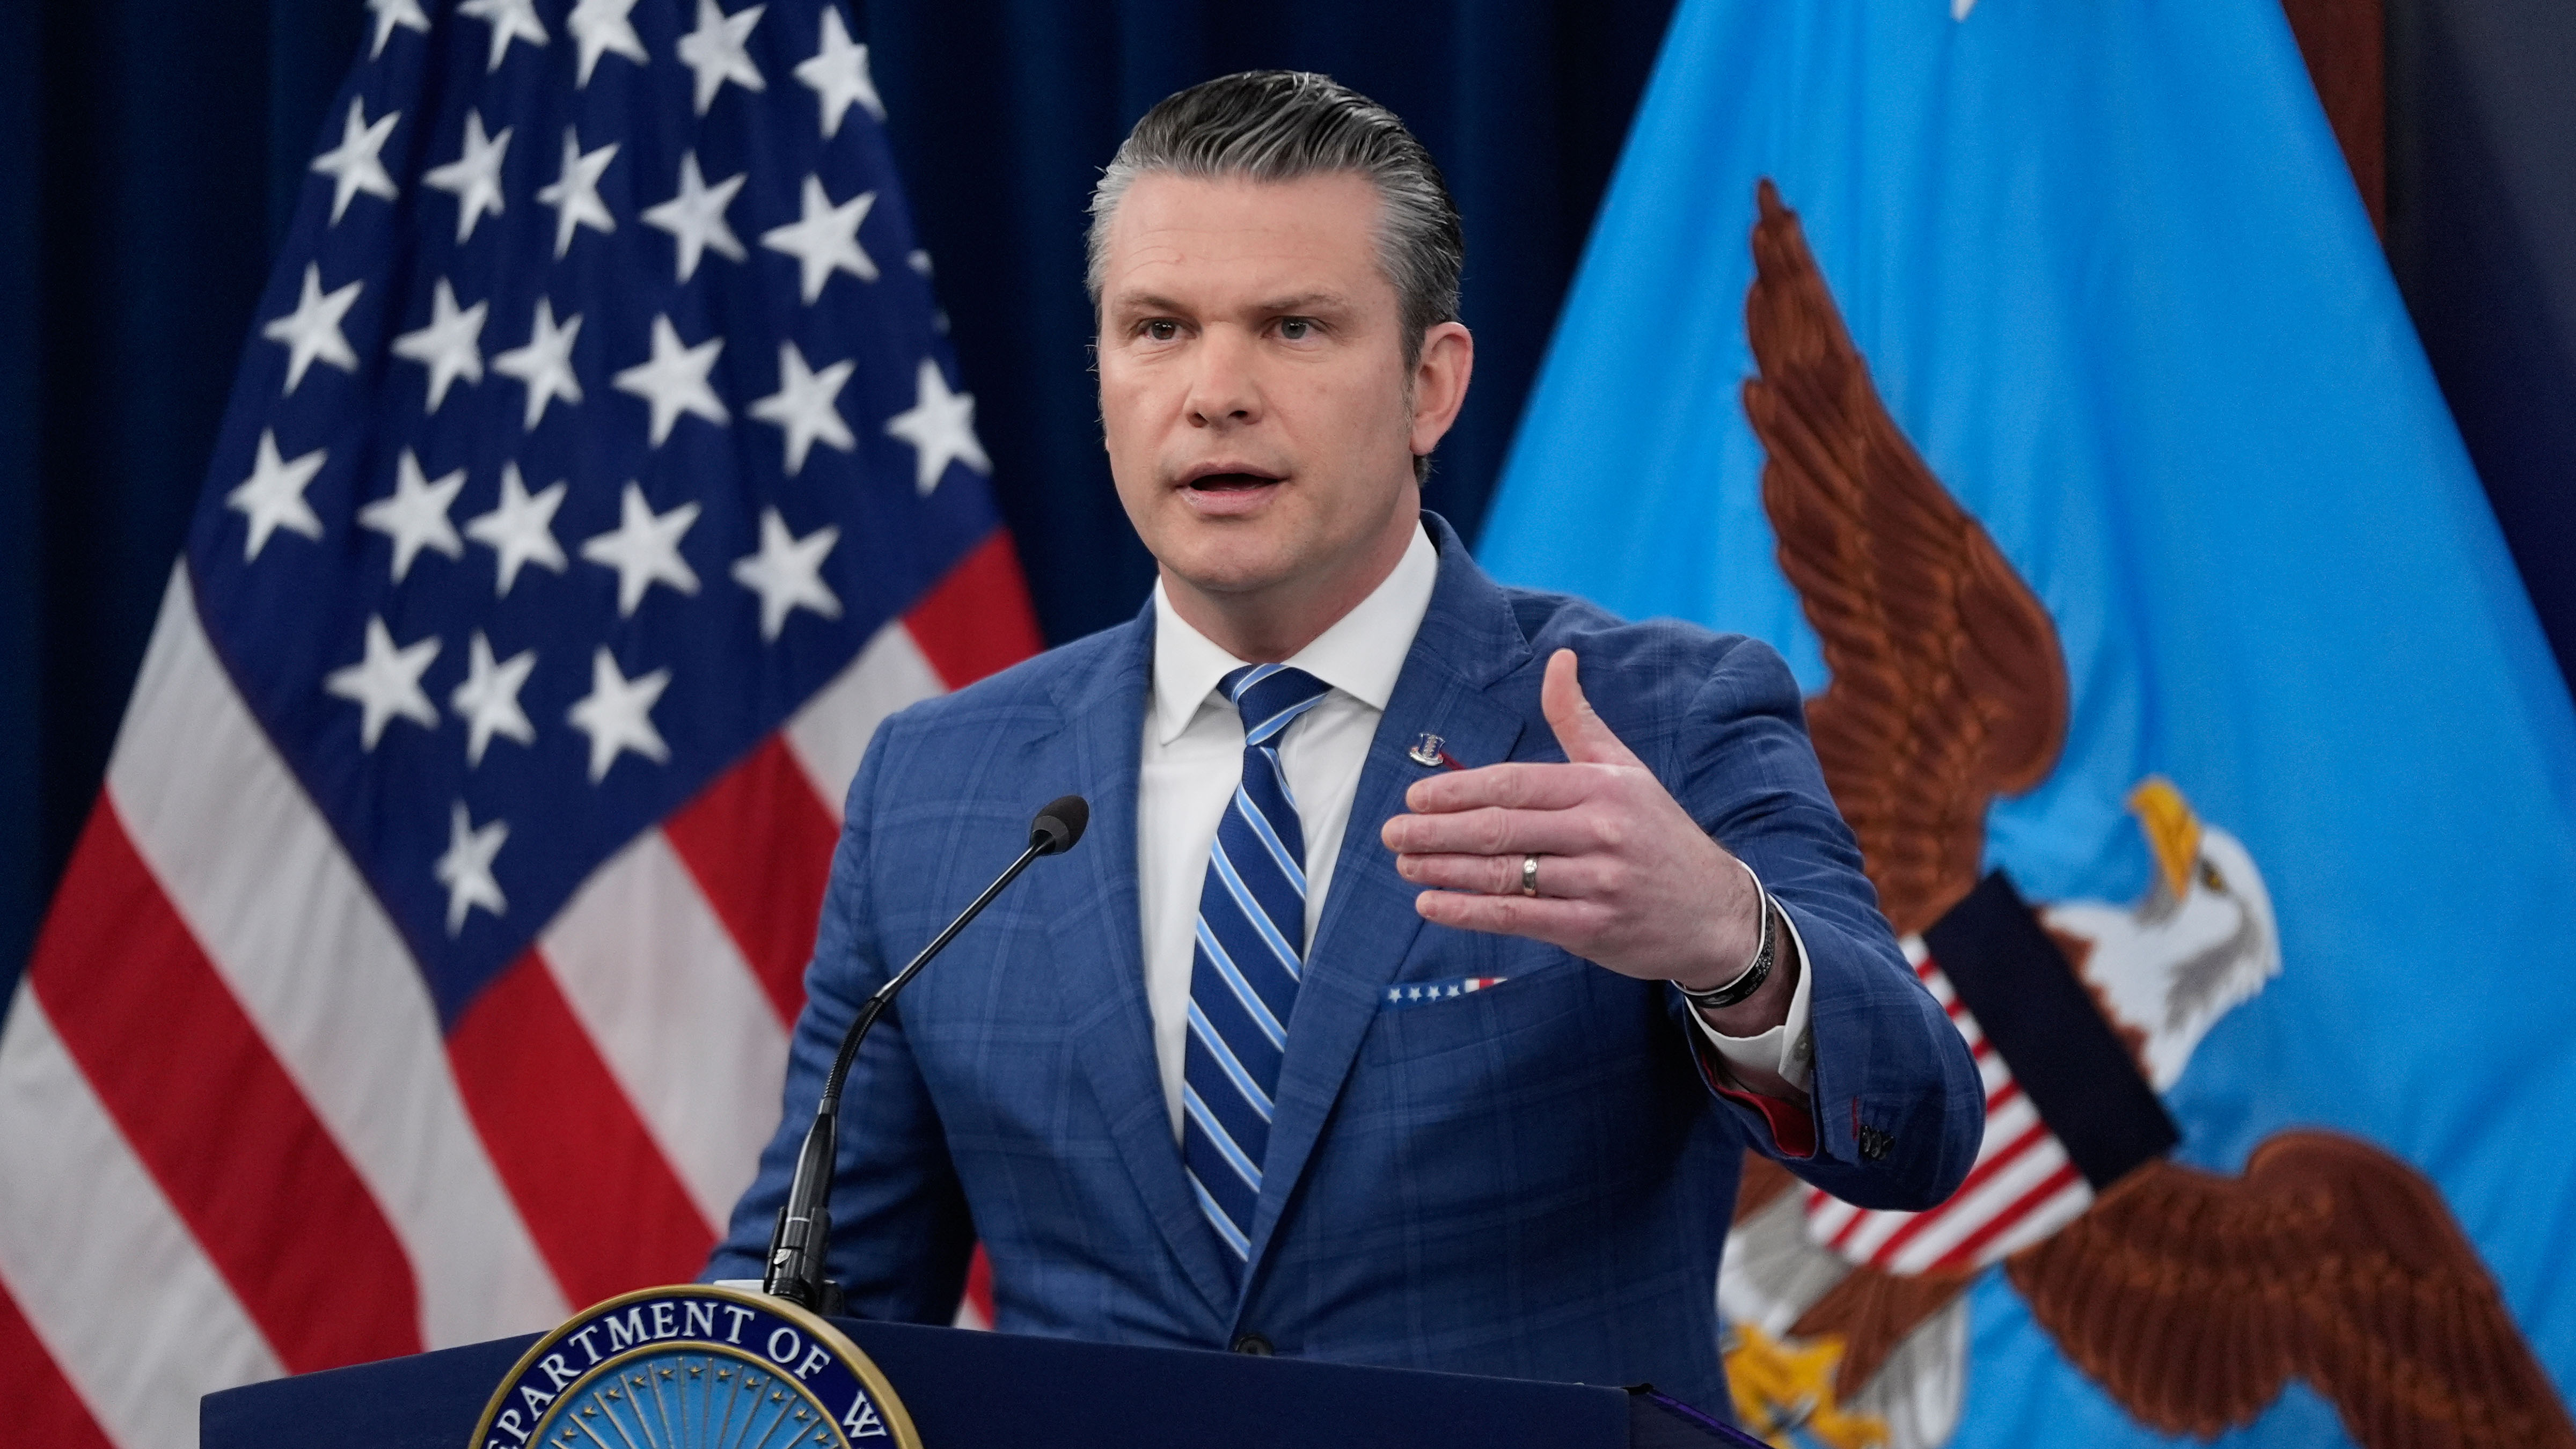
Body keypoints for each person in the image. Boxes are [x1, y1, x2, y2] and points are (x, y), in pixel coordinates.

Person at [708, 69, 1981, 1413]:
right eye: (1157, 329)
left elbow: (1915, 1129)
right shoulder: (944, 787)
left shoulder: (1657, 718)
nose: (1214, 393)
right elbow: (823, 1299)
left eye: (1294, 327)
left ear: (1431, 386)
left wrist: (1726, 939)